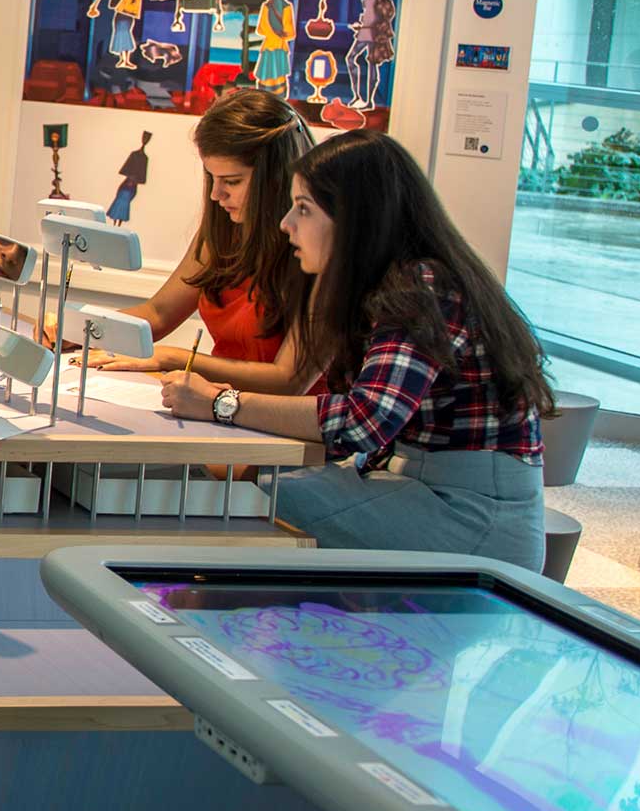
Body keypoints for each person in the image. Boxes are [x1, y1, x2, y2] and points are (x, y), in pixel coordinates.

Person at [160, 132, 552, 570]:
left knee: (233, 500)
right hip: (424, 485)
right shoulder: (402, 280)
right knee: (242, 484)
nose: (287, 222)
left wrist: (221, 404)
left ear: (355, 219)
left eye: (304, 208)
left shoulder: (419, 288)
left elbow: (363, 422)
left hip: (468, 514)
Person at [74, 87, 314, 393]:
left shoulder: (321, 247)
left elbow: (288, 381)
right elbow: (158, 314)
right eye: (212, 178)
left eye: (232, 181)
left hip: (281, 427)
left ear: (277, 176)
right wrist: (78, 328)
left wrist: (174, 358)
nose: (216, 195)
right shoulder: (224, 228)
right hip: (217, 410)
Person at [105, 131, 148, 225]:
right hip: (126, 189)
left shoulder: (144, 158)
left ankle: (118, 222)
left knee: (123, 206)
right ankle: (115, 222)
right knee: (119, 204)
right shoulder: (135, 155)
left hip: (129, 190)